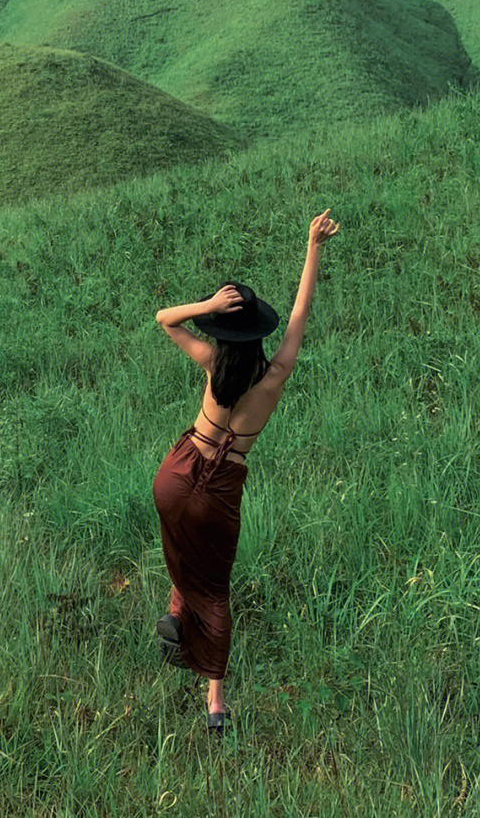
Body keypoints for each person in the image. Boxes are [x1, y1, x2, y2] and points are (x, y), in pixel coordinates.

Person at [151, 209, 340, 731]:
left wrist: (208, 304)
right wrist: (313, 246)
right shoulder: (275, 376)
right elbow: (301, 313)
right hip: (220, 490)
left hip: (175, 473)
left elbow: (165, 317)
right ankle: (215, 703)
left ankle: (174, 613)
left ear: (222, 331)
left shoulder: (212, 361)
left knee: (181, 541)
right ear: (258, 335)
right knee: (214, 589)